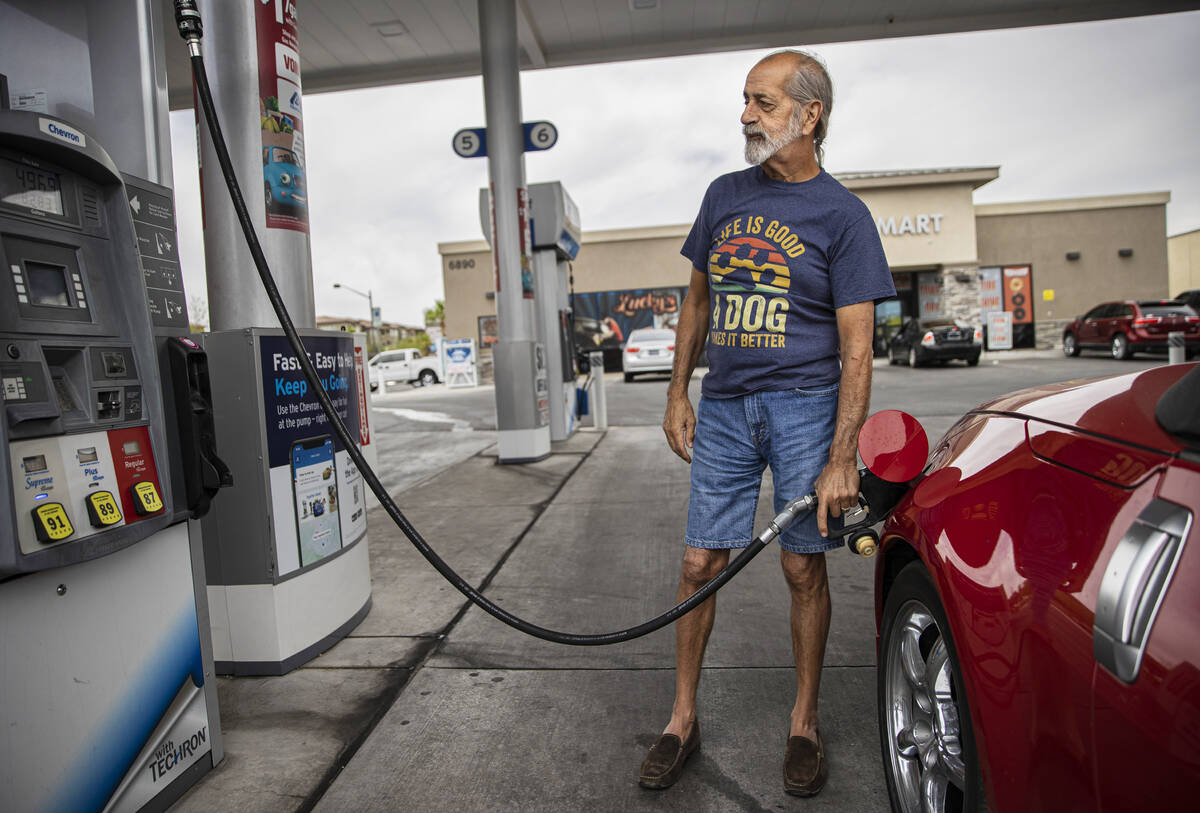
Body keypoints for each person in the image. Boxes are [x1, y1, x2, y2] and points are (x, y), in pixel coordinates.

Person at [638, 49, 895, 796]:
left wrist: (842, 454)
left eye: (761, 101)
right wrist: (677, 391)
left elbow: (857, 348)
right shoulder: (724, 194)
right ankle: (682, 717)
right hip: (723, 407)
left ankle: (805, 721)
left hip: (807, 407)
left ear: (808, 115)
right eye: (746, 100)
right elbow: (697, 300)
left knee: (801, 565)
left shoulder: (843, 215)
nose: (745, 114)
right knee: (698, 563)